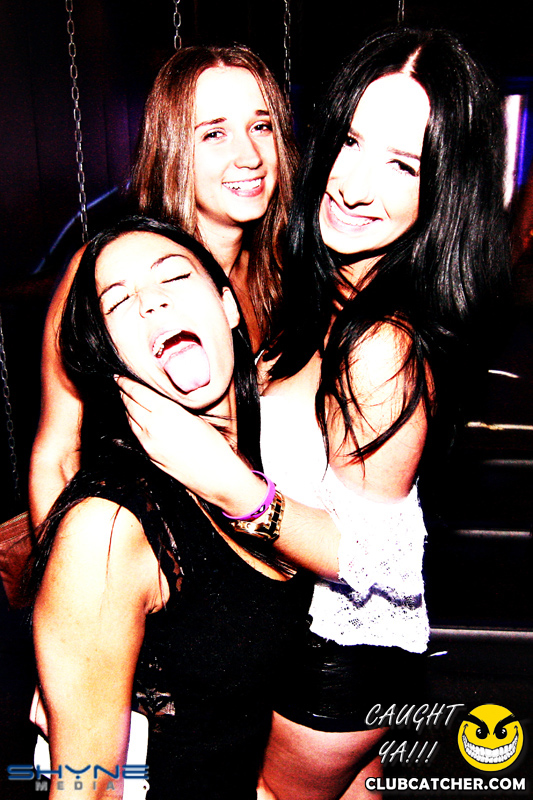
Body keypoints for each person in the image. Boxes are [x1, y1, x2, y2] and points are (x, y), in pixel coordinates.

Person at [114, 27, 510, 800]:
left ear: (444, 188)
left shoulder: (383, 342)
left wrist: (223, 479)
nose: (355, 185)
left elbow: (375, 559)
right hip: (316, 645)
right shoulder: (322, 291)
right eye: (352, 143)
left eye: (402, 165)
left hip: (330, 661)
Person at [30, 216, 312, 800]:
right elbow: (87, 790)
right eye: (118, 302)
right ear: (107, 355)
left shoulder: (267, 466)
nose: (153, 303)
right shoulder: (109, 529)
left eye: (175, 277)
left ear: (228, 307)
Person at [29, 44, 297, 525]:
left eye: (261, 126)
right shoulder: (104, 274)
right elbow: (57, 456)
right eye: (214, 133)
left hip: (253, 536)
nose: (250, 156)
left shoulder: (276, 271)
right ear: (172, 147)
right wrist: (69, 566)